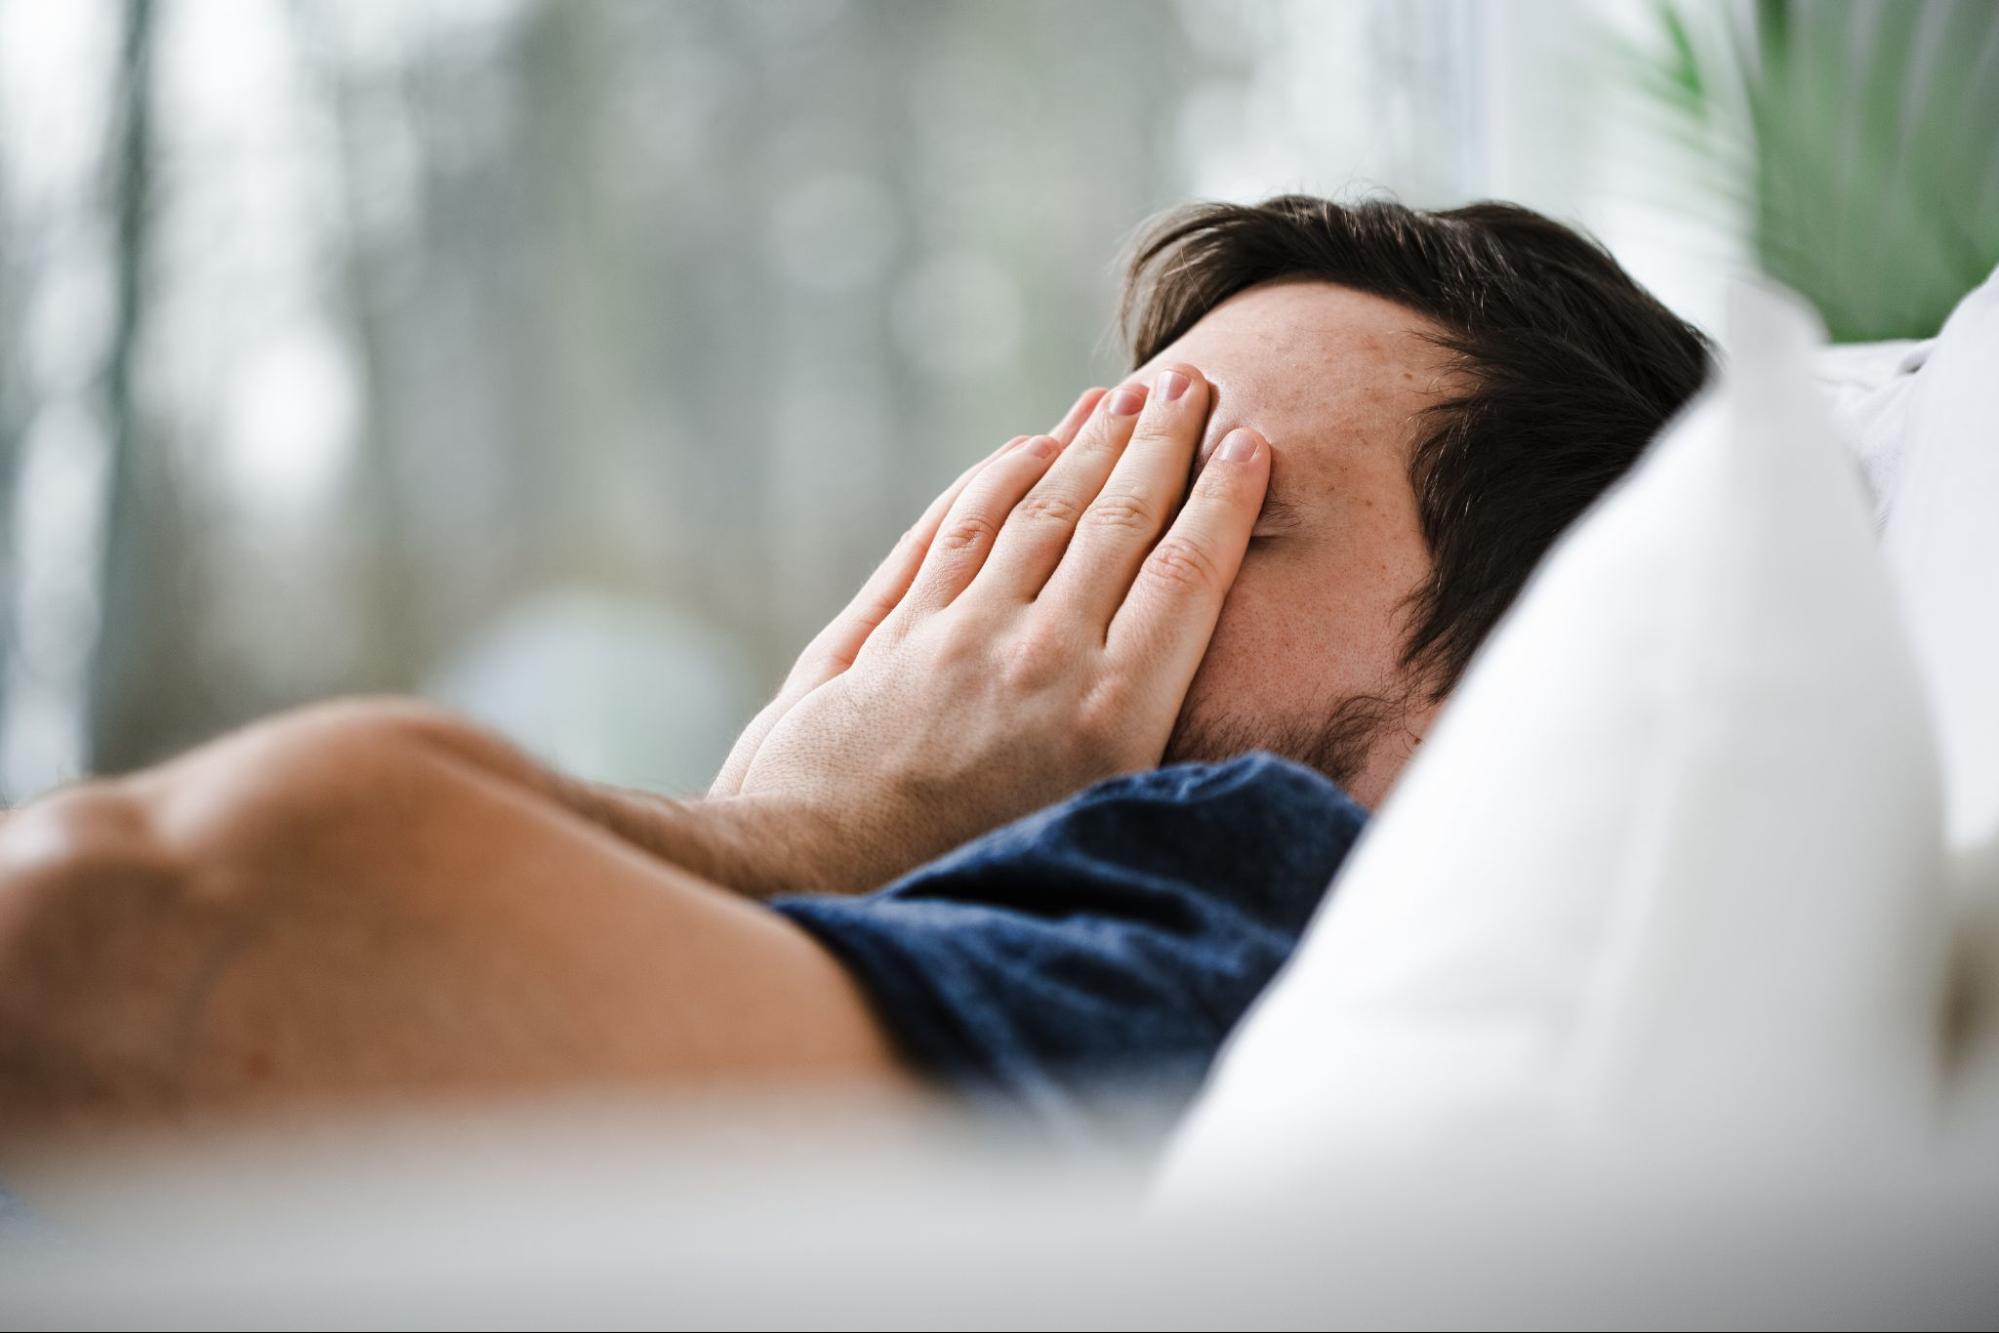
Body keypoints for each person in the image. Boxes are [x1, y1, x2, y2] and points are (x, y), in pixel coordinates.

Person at [0, 197, 1709, 1140]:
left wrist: (796, 830)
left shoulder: (1246, 892)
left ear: (1514, 675)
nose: (1029, 570)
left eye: (1182, 504)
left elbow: (117, 929)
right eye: (1063, 485)